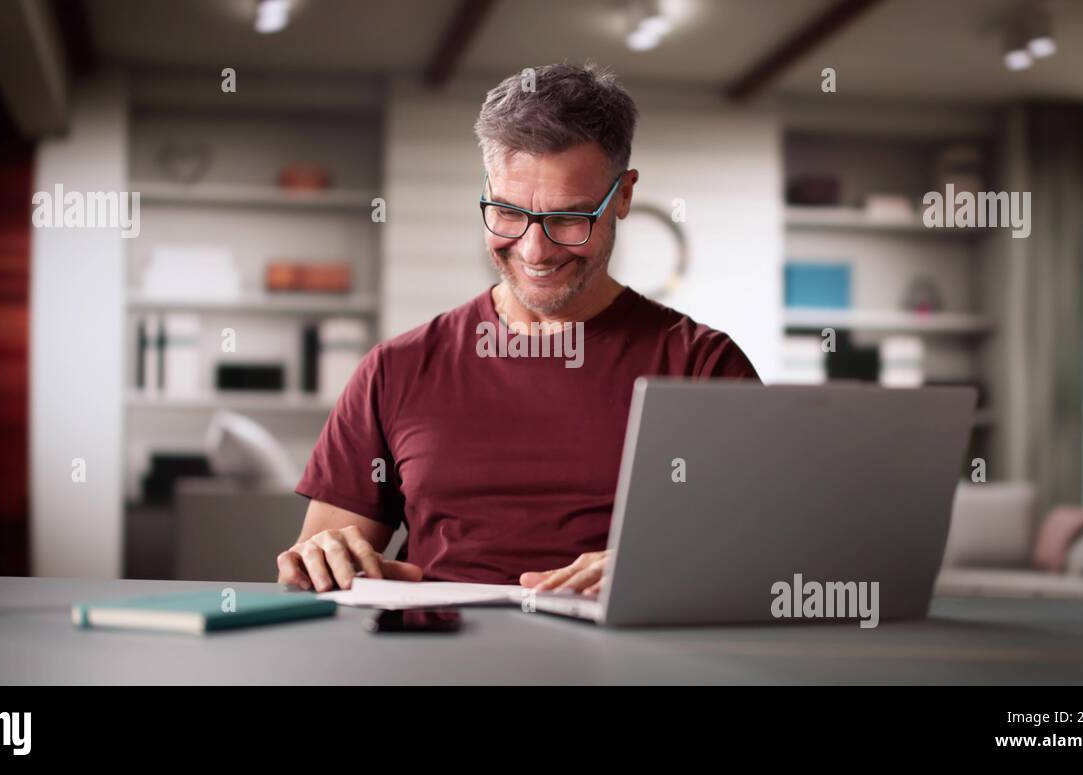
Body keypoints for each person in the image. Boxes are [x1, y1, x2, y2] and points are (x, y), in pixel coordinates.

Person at [277, 62, 759, 598]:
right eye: (507, 212)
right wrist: (319, 562)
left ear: (622, 196)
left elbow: (762, 558)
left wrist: (661, 568)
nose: (534, 251)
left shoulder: (704, 368)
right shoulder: (395, 369)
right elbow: (314, 573)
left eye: (569, 219)